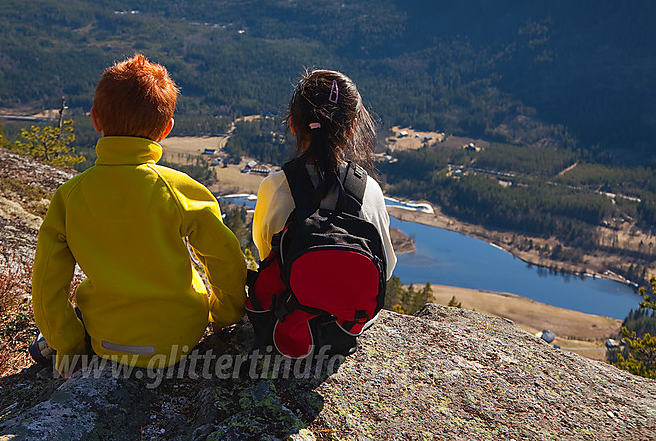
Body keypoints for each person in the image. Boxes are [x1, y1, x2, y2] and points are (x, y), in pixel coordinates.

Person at [32, 54, 247, 375]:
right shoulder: (180, 189)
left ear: (95, 119)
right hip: (180, 337)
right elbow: (225, 259)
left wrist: (69, 345)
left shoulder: (71, 195)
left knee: (41, 348)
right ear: (166, 129)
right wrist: (224, 314)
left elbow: (47, 282)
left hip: (107, 338)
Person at [252, 69, 397, 281]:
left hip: (291, 310)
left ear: (292, 124)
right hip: (352, 313)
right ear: (351, 128)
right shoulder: (370, 190)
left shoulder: (274, 187)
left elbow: (266, 255)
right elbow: (386, 267)